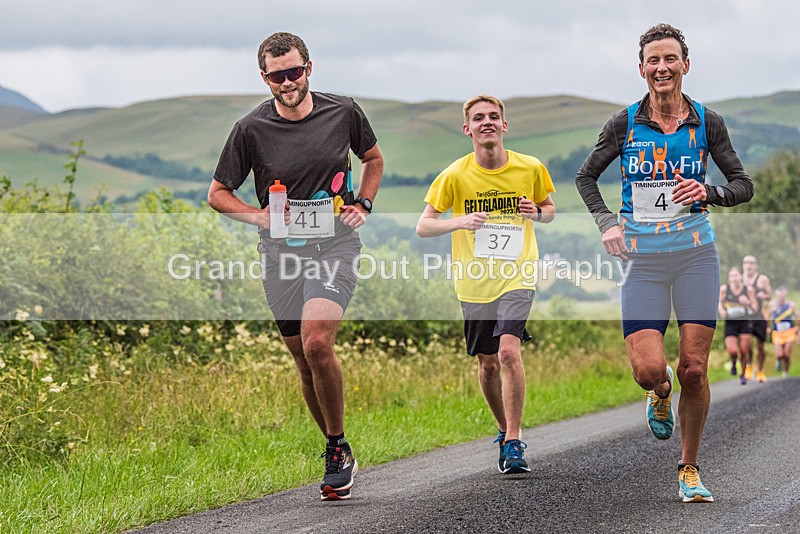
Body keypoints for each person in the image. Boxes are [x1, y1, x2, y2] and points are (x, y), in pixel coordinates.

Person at [575, 23, 753, 503]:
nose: (662, 68)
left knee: (695, 368)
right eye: (653, 61)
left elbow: (742, 184)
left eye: (670, 59)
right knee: (649, 369)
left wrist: (709, 191)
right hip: (643, 262)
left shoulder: (706, 122)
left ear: (685, 65)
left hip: (696, 255)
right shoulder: (624, 123)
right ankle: (659, 391)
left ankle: (689, 468)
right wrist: (607, 223)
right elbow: (585, 177)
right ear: (642, 70)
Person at [208, 32, 384, 501]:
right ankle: (338, 447)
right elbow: (217, 194)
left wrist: (363, 203)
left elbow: (373, 158)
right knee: (302, 359)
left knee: (317, 342)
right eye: (276, 76)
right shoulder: (250, 129)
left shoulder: (342, 111)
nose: (287, 83)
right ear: (264, 77)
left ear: (310, 67)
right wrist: (258, 216)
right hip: (280, 254)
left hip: (335, 246)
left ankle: (334, 448)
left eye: (294, 72)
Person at [416, 95, 555, 474]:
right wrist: (458, 222)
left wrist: (536, 213)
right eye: (479, 118)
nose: (487, 122)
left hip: (518, 273)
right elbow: (424, 225)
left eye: (494, 116)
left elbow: (549, 210)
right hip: (474, 280)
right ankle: (501, 428)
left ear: (505, 125)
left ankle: (514, 440)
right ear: (468, 129)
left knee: (509, 352)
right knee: (488, 363)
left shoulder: (530, 167)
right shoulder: (455, 175)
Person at [718, 267, 757, 384]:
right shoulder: (725, 289)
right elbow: (719, 302)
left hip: (745, 322)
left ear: (741, 276)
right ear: (729, 278)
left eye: (736, 275)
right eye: (732, 276)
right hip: (731, 322)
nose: (734, 278)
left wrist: (748, 303)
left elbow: (755, 308)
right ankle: (734, 363)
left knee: (744, 350)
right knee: (733, 351)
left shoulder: (748, 290)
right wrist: (722, 311)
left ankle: (743, 374)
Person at [742, 255, 772, 382]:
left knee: (760, 346)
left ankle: (760, 370)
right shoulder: (739, 278)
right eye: (746, 263)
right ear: (743, 265)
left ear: (756, 265)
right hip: (745, 316)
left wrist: (764, 294)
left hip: (759, 315)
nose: (749, 265)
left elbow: (770, 295)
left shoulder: (762, 279)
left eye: (751, 263)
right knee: (746, 345)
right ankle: (749, 366)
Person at [768, 287, 798, 378]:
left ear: (785, 295)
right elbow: (767, 315)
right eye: (779, 295)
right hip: (777, 332)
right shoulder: (773, 305)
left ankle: (785, 372)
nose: (781, 297)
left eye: (782, 295)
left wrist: (797, 327)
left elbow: (797, 315)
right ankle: (778, 360)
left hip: (789, 331)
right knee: (780, 354)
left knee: (787, 353)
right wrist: (767, 327)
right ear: (776, 296)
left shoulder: (791, 305)